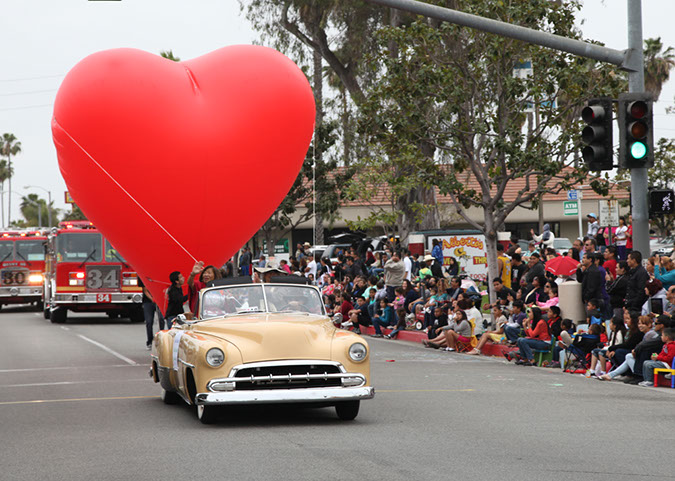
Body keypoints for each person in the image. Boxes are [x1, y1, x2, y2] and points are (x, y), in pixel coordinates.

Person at [140, 276, 166, 350]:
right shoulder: (144, 275)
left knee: (161, 319)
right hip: (148, 302)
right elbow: (145, 290)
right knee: (149, 321)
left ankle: (161, 339)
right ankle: (149, 342)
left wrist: (159, 299)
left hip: (159, 300)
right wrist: (153, 299)